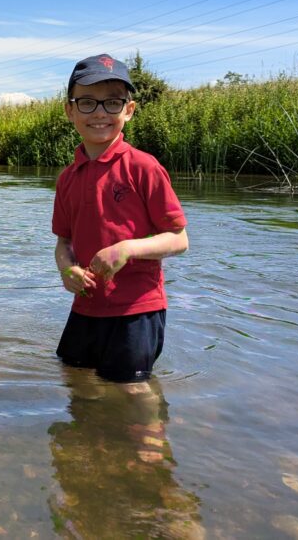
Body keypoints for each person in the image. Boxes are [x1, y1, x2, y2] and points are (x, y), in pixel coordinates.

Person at [53, 54, 188, 383]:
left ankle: (152, 436)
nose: (99, 112)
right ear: (70, 110)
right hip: (84, 308)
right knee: (75, 380)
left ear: (128, 110)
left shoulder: (144, 167)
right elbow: (64, 242)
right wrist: (67, 268)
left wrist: (126, 248)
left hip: (137, 311)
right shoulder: (67, 178)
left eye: (112, 102)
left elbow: (179, 239)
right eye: (86, 102)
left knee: (131, 394)